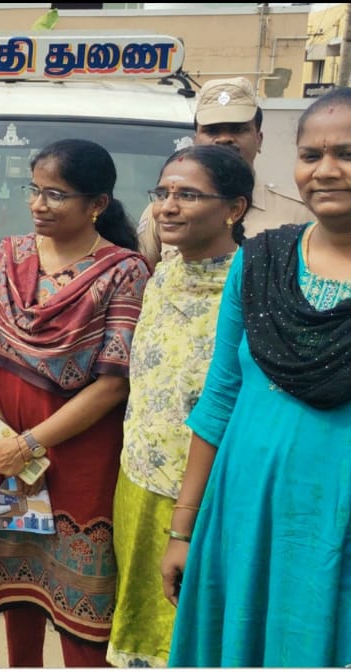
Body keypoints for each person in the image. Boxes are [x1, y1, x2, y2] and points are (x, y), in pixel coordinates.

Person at [161, 87, 351, 668]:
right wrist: (184, 529)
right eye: (311, 155)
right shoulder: (262, 258)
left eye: (346, 154)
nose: (325, 171)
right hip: (246, 506)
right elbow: (221, 395)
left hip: (336, 518)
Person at [0, 139, 150, 667]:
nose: (38, 204)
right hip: (6, 455)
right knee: (18, 592)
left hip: (78, 458)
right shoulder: (10, 255)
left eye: (56, 194)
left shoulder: (124, 271)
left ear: (97, 204)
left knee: (81, 614)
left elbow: (113, 383)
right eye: (34, 189)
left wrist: (29, 444)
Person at [106, 145, 252, 667]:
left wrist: (187, 519)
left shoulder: (252, 289)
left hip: (207, 497)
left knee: (194, 637)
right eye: (163, 192)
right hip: (138, 481)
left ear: (233, 209)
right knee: (138, 632)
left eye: (188, 195)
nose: (168, 206)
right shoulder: (163, 274)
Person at [137, 76, 310, 269]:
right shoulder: (163, 212)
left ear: (259, 140)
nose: (224, 139)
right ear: (195, 141)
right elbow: (144, 277)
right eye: (212, 131)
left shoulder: (298, 214)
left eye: (237, 129)